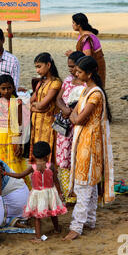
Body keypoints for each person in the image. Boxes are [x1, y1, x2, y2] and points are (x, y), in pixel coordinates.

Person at [63, 56, 114, 241]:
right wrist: (74, 117)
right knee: (89, 184)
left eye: (79, 72)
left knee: (85, 184)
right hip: (84, 140)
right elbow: (74, 113)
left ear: (89, 73)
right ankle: (90, 220)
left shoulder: (95, 94)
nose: (76, 74)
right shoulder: (86, 91)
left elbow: (78, 117)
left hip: (90, 142)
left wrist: (75, 117)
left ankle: (77, 226)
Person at [4, 141, 67, 242]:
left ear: (33, 154)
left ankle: (38, 237)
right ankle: (56, 229)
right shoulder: (51, 166)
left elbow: (20, 175)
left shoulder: (33, 167)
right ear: (48, 154)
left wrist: (6, 173)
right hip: (50, 192)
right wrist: (60, 193)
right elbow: (56, 181)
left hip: (37, 194)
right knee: (53, 212)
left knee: (37, 216)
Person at [0, 74, 29, 186]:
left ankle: (15, 186)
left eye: (9, 88)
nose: (6, 91)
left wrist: (19, 143)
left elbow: (20, 123)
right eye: (3, 88)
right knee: (0, 159)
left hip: (13, 135)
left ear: (13, 87)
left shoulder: (17, 102)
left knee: (14, 159)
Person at [55, 51, 86, 204]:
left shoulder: (88, 84)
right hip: (65, 127)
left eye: (74, 67)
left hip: (79, 126)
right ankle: (69, 195)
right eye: (69, 67)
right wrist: (64, 109)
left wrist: (73, 112)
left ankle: (80, 194)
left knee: (78, 160)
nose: (71, 70)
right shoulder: (67, 80)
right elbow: (59, 98)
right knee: (64, 161)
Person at [29, 52, 62, 164]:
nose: (37, 71)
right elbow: (31, 102)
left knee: (47, 152)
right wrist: (35, 107)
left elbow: (42, 104)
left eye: (39, 67)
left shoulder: (55, 83)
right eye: (36, 67)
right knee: (37, 152)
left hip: (48, 124)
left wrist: (35, 106)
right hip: (37, 124)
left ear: (48, 65)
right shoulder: (41, 83)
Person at [65, 13, 106, 88]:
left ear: (79, 25)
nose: (72, 25)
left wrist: (72, 54)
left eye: (73, 23)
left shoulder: (86, 37)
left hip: (94, 65)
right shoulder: (82, 35)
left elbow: (87, 56)